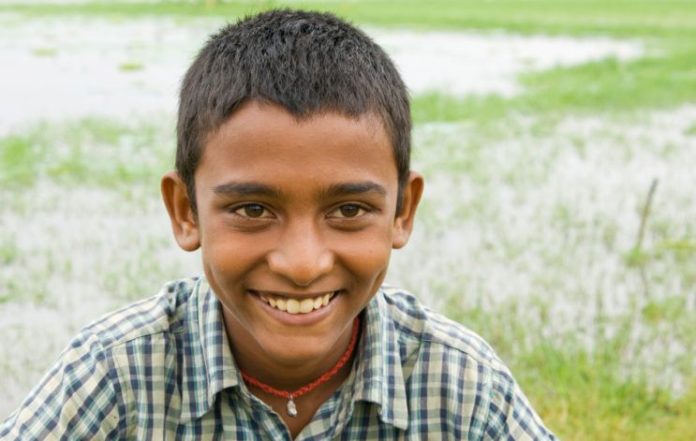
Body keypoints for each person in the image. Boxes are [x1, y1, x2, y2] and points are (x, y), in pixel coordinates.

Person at [0, 9, 556, 440]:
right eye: (252, 210)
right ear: (185, 211)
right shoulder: (118, 373)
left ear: (402, 212)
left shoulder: (460, 385)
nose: (302, 263)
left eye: (349, 210)